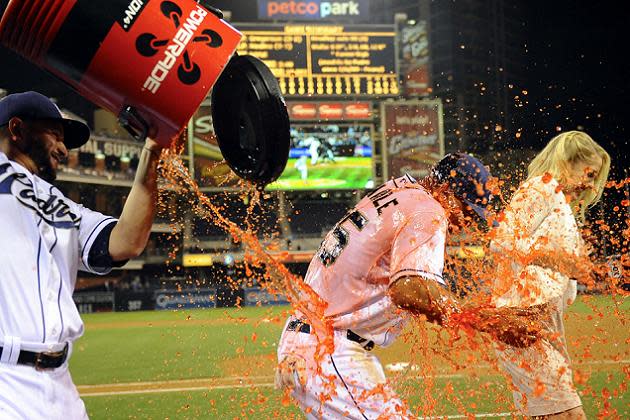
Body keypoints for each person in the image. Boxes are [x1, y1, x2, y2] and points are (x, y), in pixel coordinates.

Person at [275, 153, 539, 419]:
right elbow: (408, 290)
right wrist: (486, 321)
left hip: (310, 343)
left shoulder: (399, 189)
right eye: (467, 210)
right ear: (446, 190)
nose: (466, 223)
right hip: (331, 350)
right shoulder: (429, 210)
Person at [0, 91, 163, 419]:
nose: (64, 149)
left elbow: (124, 242)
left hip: (60, 384)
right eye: (54, 135)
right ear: (16, 129)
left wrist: (152, 153)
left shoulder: (59, 204)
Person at [490, 131, 611, 419]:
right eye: (590, 173)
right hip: (522, 321)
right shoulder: (540, 189)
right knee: (569, 415)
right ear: (567, 163)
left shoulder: (558, 200)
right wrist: (559, 260)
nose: (592, 185)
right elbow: (502, 240)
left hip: (540, 322)